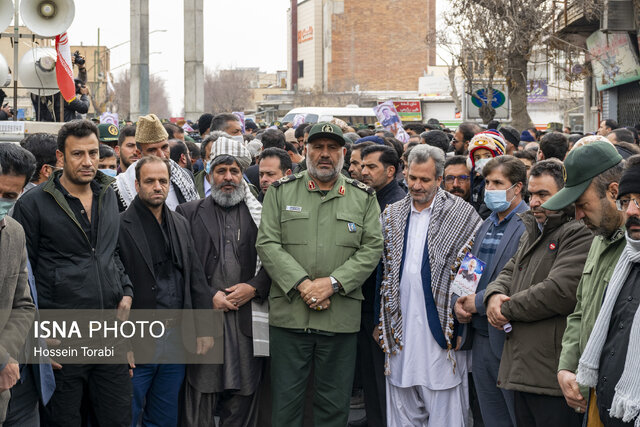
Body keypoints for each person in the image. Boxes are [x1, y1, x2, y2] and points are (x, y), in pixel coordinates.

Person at [256, 122, 383, 427]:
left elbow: (372, 248)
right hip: (290, 317)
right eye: (318, 147)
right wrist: (303, 285)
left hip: (339, 318)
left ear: (343, 152)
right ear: (305, 150)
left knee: (333, 405)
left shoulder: (363, 197)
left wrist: (332, 284)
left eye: (332, 148)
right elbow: (267, 243)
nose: (325, 154)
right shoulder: (279, 192)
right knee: (285, 404)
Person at [12, 120, 134, 426]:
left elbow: (111, 252)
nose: (89, 161)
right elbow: (23, 276)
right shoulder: (34, 203)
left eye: (93, 152)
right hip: (61, 340)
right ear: (60, 158)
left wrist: (127, 290)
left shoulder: (109, 194)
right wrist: (37, 339)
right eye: (78, 154)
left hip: (109, 335)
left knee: (117, 419)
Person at [483, 157, 593, 427]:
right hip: (524, 369)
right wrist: (493, 296)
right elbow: (508, 272)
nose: (533, 202)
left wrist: (503, 308)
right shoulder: (534, 228)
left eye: (543, 194)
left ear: (567, 194)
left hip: (552, 375)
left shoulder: (579, 232)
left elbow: (558, 291)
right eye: (531, 194)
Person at [377, 144, 482, 426]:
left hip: (442, 327)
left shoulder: (462, 214)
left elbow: (470, 273)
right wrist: (381, 321)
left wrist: (461, 327)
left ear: (439, 179)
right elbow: (383, 270)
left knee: (444, 403)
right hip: (400, 328)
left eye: (425, 179)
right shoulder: (392, 214)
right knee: (401, 400)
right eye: (412, 178)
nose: (416, 185)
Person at [176, 136, 271, 426]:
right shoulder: (188, 213)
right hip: (206, 318)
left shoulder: (262, 214)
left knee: (244, 396)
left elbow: (275, 260)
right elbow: (181, 268)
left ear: (242, 174)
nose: (228, 177)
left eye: (234, 171)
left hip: (247, 318)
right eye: (221, 171)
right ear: (209, 175)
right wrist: (209, 296)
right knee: (200, 395)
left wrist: (253, 287)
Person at [117, 156, 214, 426]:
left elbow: (195, 277)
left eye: (163, 181)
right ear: (137, 185)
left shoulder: (180, 223)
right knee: (128, 413)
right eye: (150, 181)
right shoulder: (119, 226)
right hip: (138, 337)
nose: (157, 186)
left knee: (165, 415)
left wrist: (205, 328)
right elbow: (113, 289)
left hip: (175, 337)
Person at [539, 142, 626, 418]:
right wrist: (567, 367)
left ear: (613, 192)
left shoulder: (632, 248)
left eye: (582, 205)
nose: (577, 217)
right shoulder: (599, 238)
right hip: (593, 396)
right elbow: (581, 309)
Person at [453, 155, 528, 427]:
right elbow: (470, 269)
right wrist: (458, 303)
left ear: (517, 188)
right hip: (480, 336)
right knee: (490, 413)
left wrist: (479, 303)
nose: (490, 189)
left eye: (498, 182)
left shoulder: (529, 225)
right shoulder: (486, 223)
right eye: (487, 182)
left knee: (514, 414)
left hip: (508, 337)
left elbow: (521, 282)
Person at [575, 155, 640, 426]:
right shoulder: (627, 261)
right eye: (626, 202)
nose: (632, 211)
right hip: (609, 410)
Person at [352, 144, 406, 427]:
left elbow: (388, 265)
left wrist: (380, 316)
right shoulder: (369, 197)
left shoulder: (395, 204)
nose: (363, 171)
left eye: (371, 167)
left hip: (380, 308)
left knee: (383, 377)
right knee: (371, 376)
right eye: (362, 166)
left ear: (391, 170)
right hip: (365, 303)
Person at [0, 144, 37, 425]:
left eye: (9, 196)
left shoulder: (14, 233)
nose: (2, 200)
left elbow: (23, 303)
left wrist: (6, 353)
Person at [114, 114, 199, 211]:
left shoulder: (185, 176)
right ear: (139, 154)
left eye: (164, 147)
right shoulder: (121, 187)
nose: (161, 155)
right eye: (152, 150)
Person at [468, 130, 507, 219]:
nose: (482, 161)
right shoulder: (476, 181)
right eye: (477, 157)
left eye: (488, 156)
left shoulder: (502, 183)